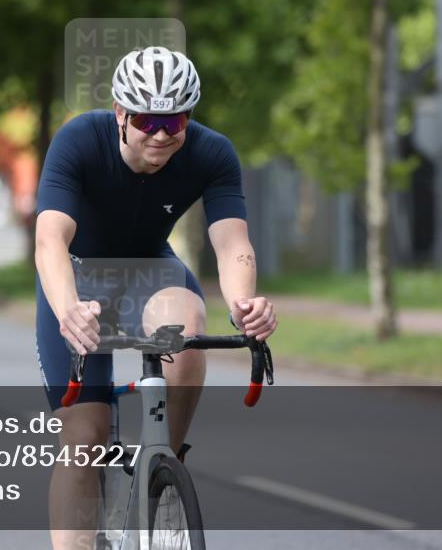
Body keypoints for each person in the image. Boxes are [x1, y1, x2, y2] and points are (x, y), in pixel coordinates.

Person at [34, 46, 277, 549]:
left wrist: (244, 303)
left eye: (176, 119)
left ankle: (163, 463)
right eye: (148, 120)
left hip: (151, 267)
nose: (163, 134)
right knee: (84, 441)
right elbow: (49, 240)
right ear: (121, 113)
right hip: (79, 277)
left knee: (186, 332)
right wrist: (68, 311)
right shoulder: (79, 139)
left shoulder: (212, 152)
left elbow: (232, 244)